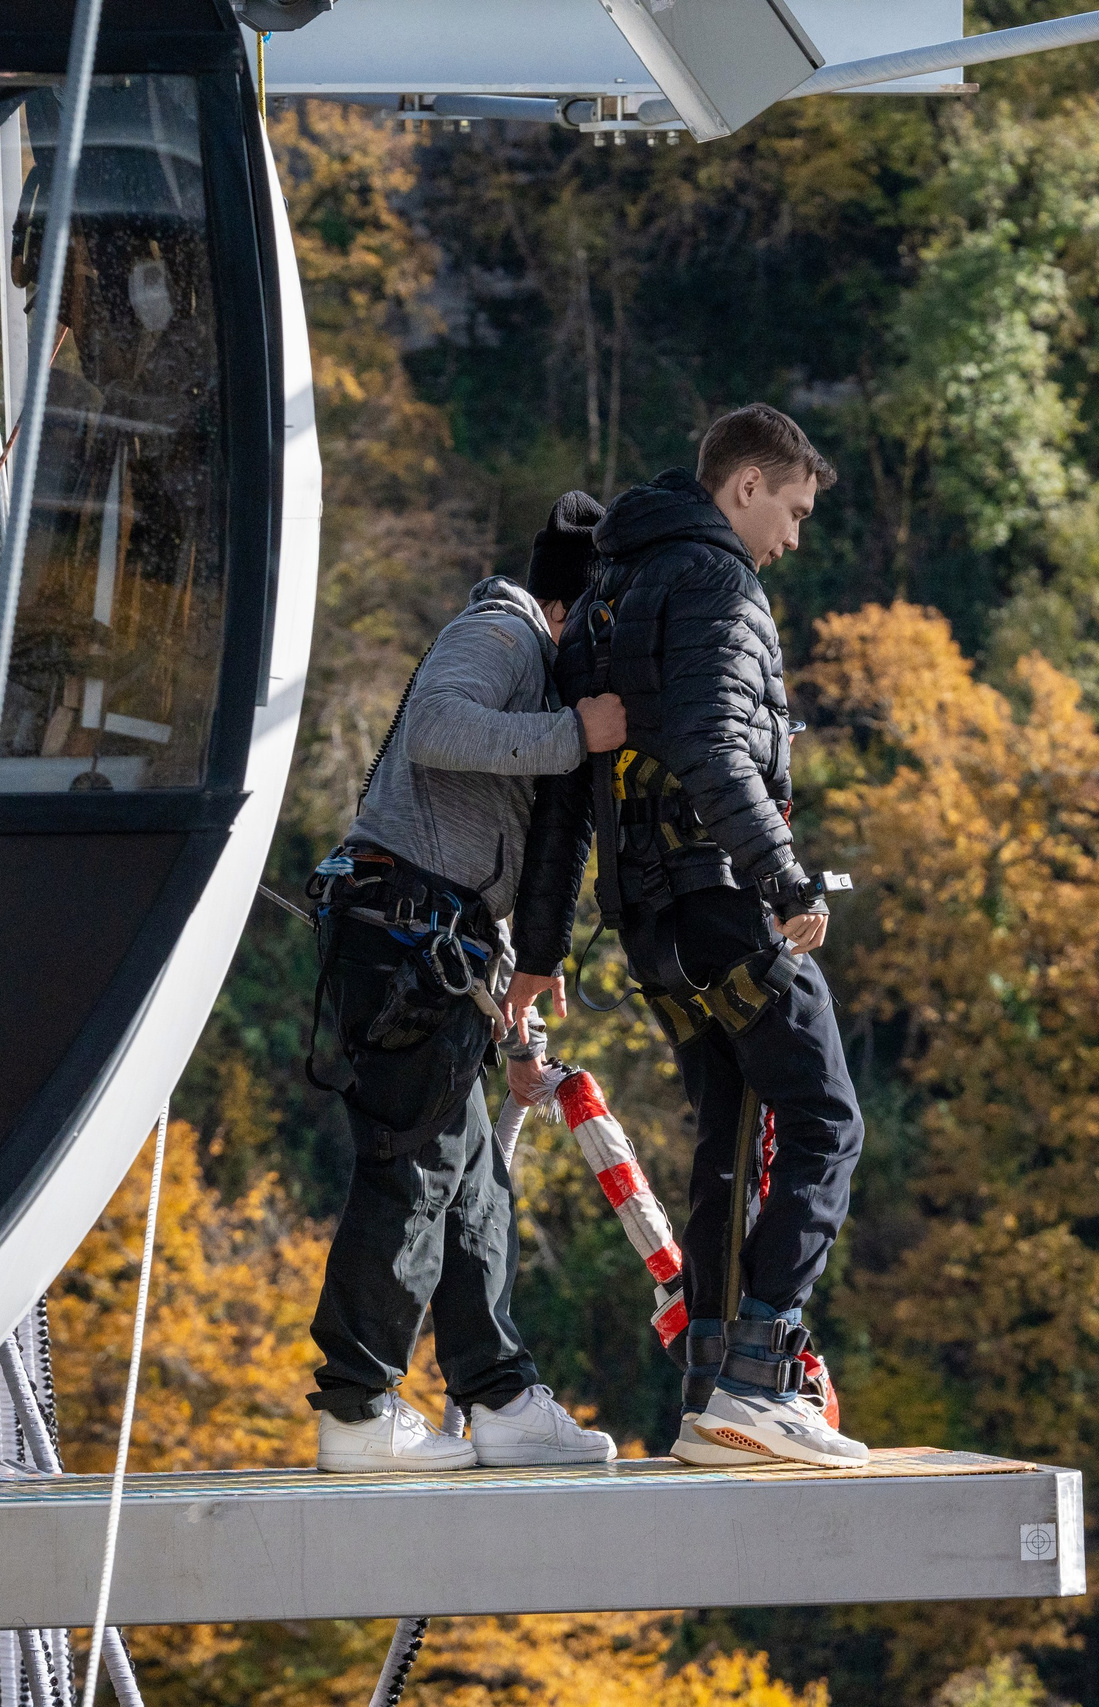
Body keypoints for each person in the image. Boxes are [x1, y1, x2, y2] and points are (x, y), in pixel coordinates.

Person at [510, 405, 867, 1470]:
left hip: (649, 928)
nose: (792, 539)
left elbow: (568, 796)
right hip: (719, 900)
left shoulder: (611, 588)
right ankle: (759, 1382)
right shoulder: (717, 583)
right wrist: (784, 877)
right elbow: (716, 745)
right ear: (747, 484)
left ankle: (711, 1392)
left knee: (729, 1133)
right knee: (824, 1123)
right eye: (792, 510)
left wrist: (543, 949)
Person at [305, 493, 631, 1472]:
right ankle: (359, 1409)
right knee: (417, 1171)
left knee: (472, 1185)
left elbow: (482, 864)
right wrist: (577, 731)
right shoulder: (501, 629)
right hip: (405, 934)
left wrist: (518, 1036)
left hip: (434, 945)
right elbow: (439, 728)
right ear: (574, 611)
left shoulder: (526, 656)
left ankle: (497, 1395)